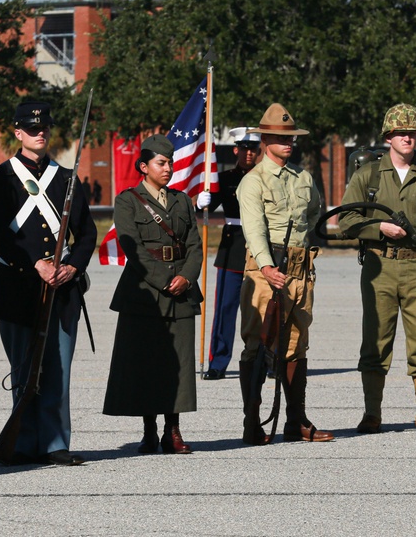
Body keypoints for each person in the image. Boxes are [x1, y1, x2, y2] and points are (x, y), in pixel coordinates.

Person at [0, 101, 97, 465]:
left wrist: (72, 268)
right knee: (24, 369)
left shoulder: (65, 178)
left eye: (45, 127)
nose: (40, 133)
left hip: (61, 288)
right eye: (32, 129)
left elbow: (88, 232)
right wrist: (34, 263)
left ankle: (54, 443)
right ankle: (23, 440)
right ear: (17, 133)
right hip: (19, 285)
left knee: (58, 369)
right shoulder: (0, 178)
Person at [339, 103, 416, 435]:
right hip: (379, 267)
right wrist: (379, 228)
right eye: (401, 133)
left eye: (413, 133)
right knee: (375, 341)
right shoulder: (368, 176)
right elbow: (345, 220)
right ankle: (372, 413)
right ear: (389, 136)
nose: (408, 137)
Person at [237, 103, 334, 445]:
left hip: (299, 269)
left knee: (296, 346)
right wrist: (266, 266)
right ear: (264, 139)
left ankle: (296, 421)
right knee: (257, 345)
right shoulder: (253, 181)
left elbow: (313, 213)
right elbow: (254, 228)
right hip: (266, 271)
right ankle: (252, 422)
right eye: (280, 137)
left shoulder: (303, 177)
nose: (288, 143)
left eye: (291, 137)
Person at [102, 134, 203, 455]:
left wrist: (186, 276)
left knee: (180, 363)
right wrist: (164, 280)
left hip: (182, 292)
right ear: (144, 166)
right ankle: (149, 431)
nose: (168, 168)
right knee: (146, 362)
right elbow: (133, 247)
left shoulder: (182, 200)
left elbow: (196, 246)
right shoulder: (127, 200)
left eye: (170, 162)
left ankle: (172, 431)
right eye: (161, 163)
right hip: (144, 291)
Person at [195, 126, 261, 380]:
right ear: (236, 149)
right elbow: (204, 215)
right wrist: (202, 203)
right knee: (225, 308)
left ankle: (264, 360)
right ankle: (218, 362)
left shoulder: (267, 178)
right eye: (244, 149)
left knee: (263, 309)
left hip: (261, 248)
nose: (248, 153)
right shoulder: (224, 179)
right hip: (233, 247)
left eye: (253, 149)